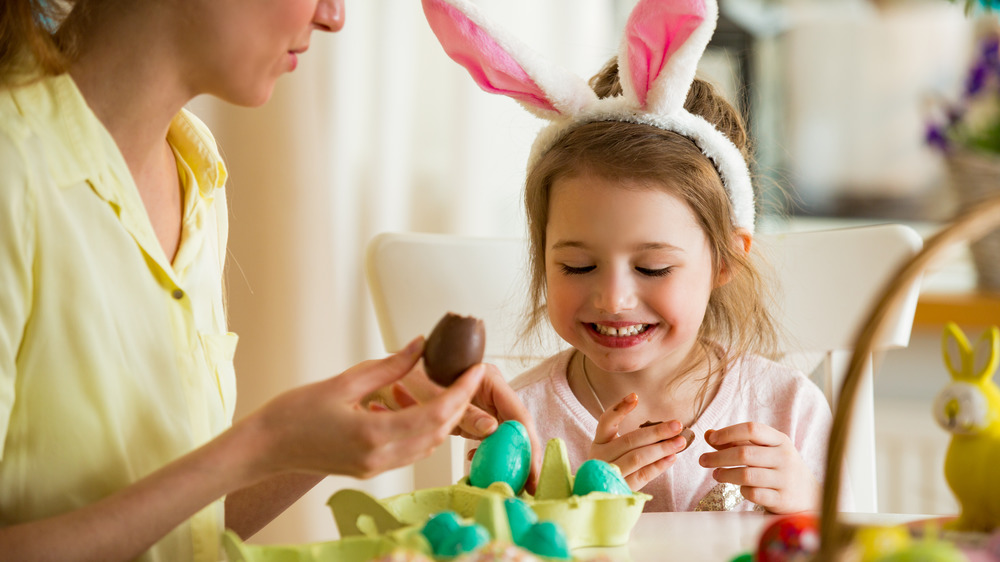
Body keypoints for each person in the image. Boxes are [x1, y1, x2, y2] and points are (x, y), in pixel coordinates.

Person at [0, 0, 539, 560]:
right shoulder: (13, 170)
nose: (335, 16)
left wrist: (358, 410)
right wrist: (256, 446)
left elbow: (180, 534)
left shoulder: (193, 174)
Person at [422, 0, 836, 514]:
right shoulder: (519, 426)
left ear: (726, 260)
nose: (614, 299)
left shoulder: (788, 409)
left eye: (652, 268)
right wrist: (574, 504)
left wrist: (811, 507)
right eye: (577, 266)